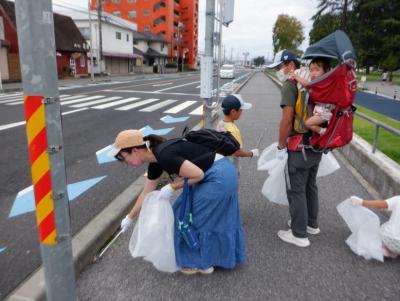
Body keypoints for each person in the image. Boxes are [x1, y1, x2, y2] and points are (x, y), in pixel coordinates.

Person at [108, 129, 247, 274]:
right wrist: (129, 217)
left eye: (123, 158)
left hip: (218, 177)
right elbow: (145, 193)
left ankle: (201, 262)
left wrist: (172, 186)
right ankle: (211, 256)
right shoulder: (156, 159)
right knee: (183, 210)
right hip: (218, 172)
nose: (125, 163)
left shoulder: (165, 155)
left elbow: (198, 175)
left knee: (190, 217)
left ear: (135, 150)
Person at [267, 49, 323, 248]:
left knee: (296, 189)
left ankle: (299, 234)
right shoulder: (314, 83)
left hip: (299, 146)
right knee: (310, 185)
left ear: (290, 65)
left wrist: (281, 146)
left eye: (280, 66)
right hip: (316, 143)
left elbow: (286, 119)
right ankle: (310, 224)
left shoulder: (291, 85)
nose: (279, 71)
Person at [290, 57, 334, 135]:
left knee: (307, 123)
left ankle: (324, 132)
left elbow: (307, 84)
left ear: (326, 71)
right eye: (311, 70)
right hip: (321, 111)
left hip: (324, 113)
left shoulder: (321, 82)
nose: (313, 73)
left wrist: (296, 76)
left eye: (317, 70)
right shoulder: (324, 81)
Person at [216, 94, 259, 172]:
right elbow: (237, 152)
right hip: (231, 167)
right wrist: (251, 153)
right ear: (233, 111)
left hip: (221, 163)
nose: (242, 112)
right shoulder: (233, 130)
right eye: (241, 110)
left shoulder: (220, 123)